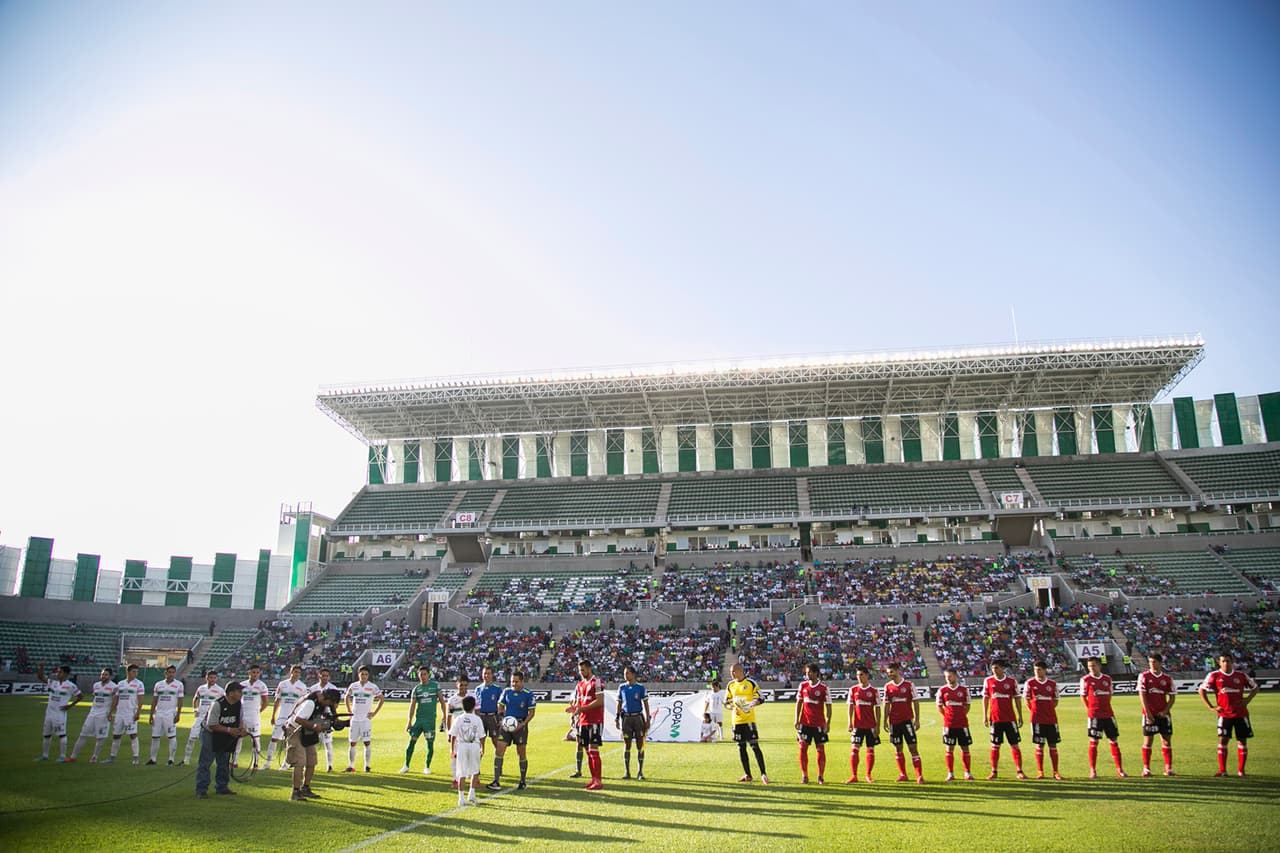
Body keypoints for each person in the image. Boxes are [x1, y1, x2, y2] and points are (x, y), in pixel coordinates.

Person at [1199, 652, 1258, 777]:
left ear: (1232, 662)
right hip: (1224, 714)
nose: (1226, 663)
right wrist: (1210, 706)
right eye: (1223, 661)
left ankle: (1241, 771)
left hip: (1241, 714)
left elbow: (1255, 687)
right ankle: (1223, 770)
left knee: (1242, 741)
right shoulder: (1214, 675)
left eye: (1228, 661)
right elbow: (1201, 690)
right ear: (1219, 663)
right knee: (1223, 740)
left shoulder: (1241, 676)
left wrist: (1247, 700)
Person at [284, 686, 342, 801]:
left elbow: (324, 719)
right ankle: (295, 792)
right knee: (299, 762)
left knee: (311, 761)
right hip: (295, 730)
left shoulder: (321, 702)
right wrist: (314, 726)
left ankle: (305, 788)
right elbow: (298, 719)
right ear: (327, 699)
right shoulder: (310, 703)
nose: (329, 706)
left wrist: (338, 723)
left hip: (307, 731)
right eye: (330, 703)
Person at [195, 680, 247, 799]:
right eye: (239, 691)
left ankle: (222, 787)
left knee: (223, 761)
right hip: (210, 733)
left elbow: (240, 721)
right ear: (231, 693)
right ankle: (201, 789)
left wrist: (241, 730)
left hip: (225, 733)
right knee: (206, 762)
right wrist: (230, 730)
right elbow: (211, 724)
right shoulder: (217, 704)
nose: (241, 694)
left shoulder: (239, 704)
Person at [488, 670, 537, 790]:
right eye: (512, 682)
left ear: (522, 681)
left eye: (516, 682)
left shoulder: (528, 694)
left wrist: (523, 724)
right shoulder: (507, 691)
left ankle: (522, 781)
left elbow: (532, 712)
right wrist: (501, 718)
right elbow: (500, 706)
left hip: (520, 726)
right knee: (499, 750)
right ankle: (496, 781)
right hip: (506, 726)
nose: (514, 684)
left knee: (521, 753)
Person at [1081, 656, 1127, 778]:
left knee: (1114, 741)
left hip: (1108, 715)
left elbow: (1110, 695)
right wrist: (1090, 709)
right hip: (1094, 716)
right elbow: (1083, 696)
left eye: (1093, 666)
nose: (1091, 668)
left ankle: (1120, 769)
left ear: (1099, 666)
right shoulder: (1085, 679)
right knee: (1093, 742)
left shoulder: (1107, 679)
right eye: (1089, 666)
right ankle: (1093, 770)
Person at [982, 659, 1025, 780]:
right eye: (992, 668)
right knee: (995, 746)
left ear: (1002, 668)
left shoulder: (1011, 682)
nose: (994, 670)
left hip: (1010, 718)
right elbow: (985, 699)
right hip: (995, 719)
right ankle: (994, 772)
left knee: (1015, 745)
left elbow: (1017, 699)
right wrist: (984, 715)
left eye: (996, 668)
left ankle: (1019, 771)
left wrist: (1020, 715)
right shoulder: (988, 681)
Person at [725, 662, 768, 784]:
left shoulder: (750, 683)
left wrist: (754, 703)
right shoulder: (731, 685)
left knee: (755, 747)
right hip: (736, 722)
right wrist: (732, 708)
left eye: (733, 671)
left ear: (740, 671)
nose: (731, 674)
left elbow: (761, 698)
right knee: (741, 748)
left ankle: (763, 774)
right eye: (730, 672)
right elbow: (726, 702)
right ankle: (747, 774)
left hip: (749, 721)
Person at [401, 666, 446, 775]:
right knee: (412, 741)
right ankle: (406, 765)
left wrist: (445, 716)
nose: (423, 676)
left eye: (425, 674)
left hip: (430, 721)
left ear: (428, 675)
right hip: (419, 721)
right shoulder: (417, 689)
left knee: (430, 744)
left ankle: (427, 767)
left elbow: (442, 702)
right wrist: (409, 721)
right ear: (418, 675)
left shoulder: (435, 686)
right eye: (421, 674)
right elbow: (412, 706)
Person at [883, 662, 924, 784]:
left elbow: (916, 702)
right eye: (888, 673)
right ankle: (903, 774)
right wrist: (885, 720)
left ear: (897, 671)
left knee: (913, 748)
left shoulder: (909, 685)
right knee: (898, 748)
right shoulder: (888, 687)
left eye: (891, 672)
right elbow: (886, 704)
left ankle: (919, 776)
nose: (889, 674)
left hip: (907, 721)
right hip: (894, 722)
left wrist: (916, 719)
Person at [1022, 660, 1063, 780]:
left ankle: (1056, 772)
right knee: (1039, 745)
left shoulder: (1052, 684)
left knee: (1053, 745)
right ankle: (1040, 771)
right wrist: (1035, 710)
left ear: (1045, 670)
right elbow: (1026, 700)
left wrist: (1048, 709)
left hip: (1051, 719)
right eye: (1035, 670)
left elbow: (1055, 700)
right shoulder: (1030, 683)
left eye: (1039, 669)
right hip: (1037, 719)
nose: (1037, 672)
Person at [1137, 653, 1176, 777]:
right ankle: (1146, 768)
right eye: (1150, 662)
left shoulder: (1167, 679)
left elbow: (1172, 697)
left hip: (1163, 715)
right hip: (1149, 714)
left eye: (1154, 662)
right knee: (1148, 741)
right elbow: (1142, 695)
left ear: (1160, 663)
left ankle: (1168, 768)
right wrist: (1148, 713)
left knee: (1166, 741)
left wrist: (1165, 711)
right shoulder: (1144, 676)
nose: (1152, 664)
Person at [569, 659, 606, 790]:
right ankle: (593, 779)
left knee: (593, 750)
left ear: (589, 669)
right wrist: (574, 710)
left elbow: (600, 701)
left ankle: (598, 780)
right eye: (580, 670)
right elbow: (579, 704)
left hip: (595, 720)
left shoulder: (596, 682)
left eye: (583, 670)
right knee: (588, 751)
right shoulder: (580, 685)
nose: (581, 672)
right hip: (583, 720)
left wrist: (582, 709)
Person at [34, 663, 82, 763]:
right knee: (46, 735)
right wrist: (41, 667)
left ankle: (62, 756)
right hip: (49, 713)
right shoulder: (53, 683)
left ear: (65, 674)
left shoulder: (71, 686)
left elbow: (80, 696)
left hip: (59, 713)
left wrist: (70, 705)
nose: (57, 674)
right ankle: (45, 755)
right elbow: (40, 677)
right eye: (57, 672)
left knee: (61, 735)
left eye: (60, 672)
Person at [794, 662, 831, 784]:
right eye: (806, 672)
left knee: (820, 749)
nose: (807, 674)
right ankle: (804, 776)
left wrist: (828, 723)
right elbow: (799, 703)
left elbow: (829, 707)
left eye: (809, 672)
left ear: (816, 673)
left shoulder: (824, 688)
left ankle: (820, 776)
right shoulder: (803, 686)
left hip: (819, 724)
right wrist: (796, 719)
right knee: (802, 748)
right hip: (805, 723)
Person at [267, 664, 309, 769]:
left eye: (299, 673)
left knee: (289, 741)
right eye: (295, 672)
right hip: (282, 716)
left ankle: (285, 764)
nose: (297, 674)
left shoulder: (302, 687)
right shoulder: (282, 684)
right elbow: (277, 700)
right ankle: (267, 763)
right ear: (291, 672)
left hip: (293, 718)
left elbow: (303, 703)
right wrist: (273, 715)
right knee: (274, 739)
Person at [68, 667, 115, 763]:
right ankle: (73, 756)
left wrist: (110, 713)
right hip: (92, 713)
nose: (103, 676)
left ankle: (95, 757)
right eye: (102, 674)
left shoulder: (114, 687)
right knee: (83, 734)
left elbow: (115, 701)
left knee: (100, 737)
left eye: (106, 674)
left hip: (103, 715)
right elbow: (95, 697)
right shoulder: (96, 685)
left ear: (110, 676)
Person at [936, 667, 973, 781]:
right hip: (949, 724)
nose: (948, 679)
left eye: (950, 676)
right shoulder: (942, 690)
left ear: (955, 676)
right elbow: (939, 706)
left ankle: (967, 773)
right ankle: (950, 773)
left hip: (962, 724)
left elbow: (967, 705)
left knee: (965, 748)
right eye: (946, 677)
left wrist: (961, 715)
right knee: (949, 748)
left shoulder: (963, 690)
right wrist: (947, 716)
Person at [344, 665, 384, 772]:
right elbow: (347, 696)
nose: (364, 676)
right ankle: (351, 766)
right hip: (355, 719)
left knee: (367, 742)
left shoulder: (372, 687)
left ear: (368, 675)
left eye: (366, 674)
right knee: (352, 743)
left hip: (365, 720)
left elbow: (381, 699)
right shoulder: (354, 686)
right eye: (362, 674)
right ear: (359, 674)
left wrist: (374, 712)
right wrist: (348, 710)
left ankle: (367, 766)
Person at [181, 671, 225, 766]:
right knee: (191, 738)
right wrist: (195, 709)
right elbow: (195, 698)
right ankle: (186, 759)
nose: (212, 679)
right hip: (200, 717)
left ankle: (212, 761)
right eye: (210, 677)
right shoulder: (201, 688)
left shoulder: (220, 690)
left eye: (214, 678)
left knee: (210, 741)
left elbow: (223, 703)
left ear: (216, 679)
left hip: (211, 719)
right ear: (206, 678)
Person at [616, 664, 651, 780]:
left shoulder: (640, 688)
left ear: (633, 674)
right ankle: (627, 772)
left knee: (640, 745)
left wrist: (648, 718)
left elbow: (645, 703)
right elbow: (619, 704)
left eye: (627, 673)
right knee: (627, 745)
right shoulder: (622, 687)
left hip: (638, 718)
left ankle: (640, 772)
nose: (625, 675)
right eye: (624, 673)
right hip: (626, 718)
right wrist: (617, 717)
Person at [846, 665, 880, 783]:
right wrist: (850, 722)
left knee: (870, 750)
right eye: (857, 675)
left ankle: (868, 775)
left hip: (870, 725)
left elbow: (878, 709)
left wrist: (877, 725)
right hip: (857, 725)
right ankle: (854, 775)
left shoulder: (874, 691)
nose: (859, 677)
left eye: (861, 675)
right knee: (854, 749)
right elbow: (850, 706)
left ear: (867, 676)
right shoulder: (853, 690)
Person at [449, 695, 485, 806]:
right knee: (475, 770)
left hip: (462, 746)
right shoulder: (477, 719)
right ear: (474, 706)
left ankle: (461, 798)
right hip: (474, 746)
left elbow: (453, 735)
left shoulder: (459, 719)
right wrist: (482, 748)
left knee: (461, 772)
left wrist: (452, 750)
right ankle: (471, 793)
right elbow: (482, 736)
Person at [107, 664, 145, 764]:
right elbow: (116, 698)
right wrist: (111, 712)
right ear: (127, 672)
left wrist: (138, 712)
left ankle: (136, 758)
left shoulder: (139, 684)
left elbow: (141, 699)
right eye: (133, 672)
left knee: (133, 735)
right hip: (120, 713)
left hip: (130, 713)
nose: (135, 674)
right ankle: (112, 757)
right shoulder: (120, 684)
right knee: (116, 735)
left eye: (136, 672)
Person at [234, 664, 269, 769]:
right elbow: (237, 700)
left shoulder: (262, 685)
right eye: (253, 672)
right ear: (249, 672)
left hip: (254, 716)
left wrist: (258, 711)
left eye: (258, 672)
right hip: (242, 715)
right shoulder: (242, 685)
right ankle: (234, 761)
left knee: (255, 739)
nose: (255, 674)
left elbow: (265, 702)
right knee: (238, 738)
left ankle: (256, 762)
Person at [147, 665, 184, 765]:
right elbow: (154, 700)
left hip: (170, 714)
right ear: (165, 673)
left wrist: (178, 714)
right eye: (169, 672)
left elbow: (180, 700)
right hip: (159, 713)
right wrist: (151, 714)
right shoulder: (158, 684)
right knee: (155, 736)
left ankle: (171, 759)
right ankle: (153, 759)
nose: (171, 674)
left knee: (171, 736)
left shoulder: (179, 685)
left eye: (173, 672)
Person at [447, 674, 475, 789]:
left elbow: (476, 714)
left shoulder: (471, 698)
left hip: (470, 733)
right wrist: (449, 733)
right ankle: (455, 779)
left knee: (470, 755)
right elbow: (449, 717)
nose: (462, 687)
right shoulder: (452, 700)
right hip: (457, 733)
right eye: (460, 685)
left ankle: (468, 776)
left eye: (465, 685)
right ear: (456, 685)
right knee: (455, 756)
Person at [309, 667, 339, 771]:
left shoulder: (333, 688)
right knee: (310, 741)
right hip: (314, 717)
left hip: (326, 716)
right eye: (323, 675)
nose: (325, 678)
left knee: (327, 742)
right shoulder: (313, 688)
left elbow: (336, 705)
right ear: (319, 676)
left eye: (327, 676)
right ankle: (308, 763)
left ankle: (329, 765)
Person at [475, 665, 505, 755]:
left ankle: (498, 763)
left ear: (492, 675)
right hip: (481, 717)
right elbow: (475, 705)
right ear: (482, 675)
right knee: (480, 742)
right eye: (485, 674)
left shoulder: (497, 689)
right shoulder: (478, 689)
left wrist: (502, 718)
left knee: (496, 740)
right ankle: (477, 765)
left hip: (493, 717)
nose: (486, 676)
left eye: (488, 674)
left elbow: (502, 705)